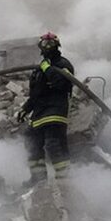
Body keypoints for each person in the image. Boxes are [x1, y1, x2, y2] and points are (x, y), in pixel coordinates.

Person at [20, 32, 75, 182]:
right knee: (31, 142)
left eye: (51, 43)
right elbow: (36, 94)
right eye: (45, 44)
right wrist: (26, 108)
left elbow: (61, 84)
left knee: (53, 144)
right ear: (40, 47)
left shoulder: (63, 65)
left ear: (57, 46)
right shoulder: (38, 70)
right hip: (39, 114)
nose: (48, 46)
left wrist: (47, 68)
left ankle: (64, 180)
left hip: (55, 111)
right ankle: (38, 179)